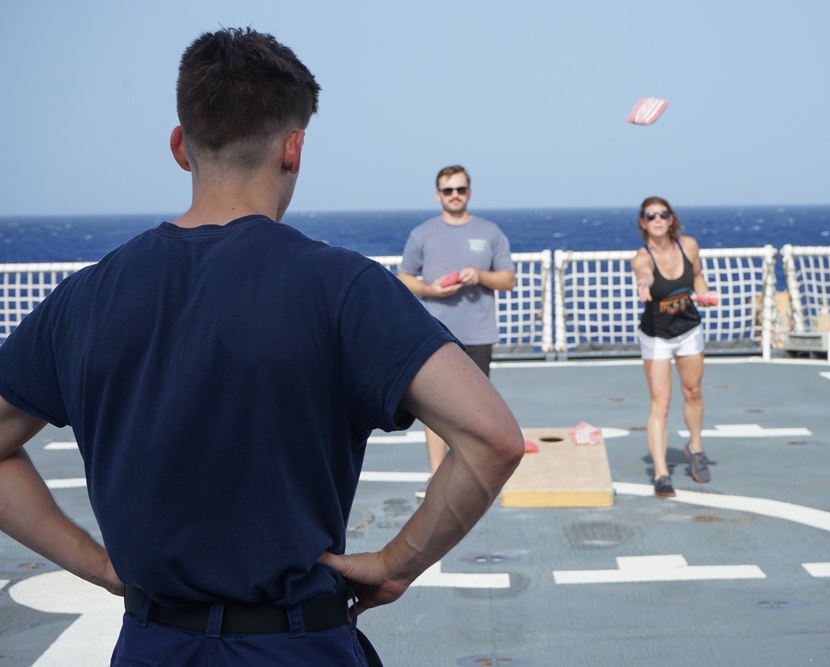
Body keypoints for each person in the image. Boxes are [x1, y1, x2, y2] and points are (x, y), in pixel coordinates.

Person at [0, 28, 523, 666]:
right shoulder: (343, 286)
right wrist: (392, 564)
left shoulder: (85, 297)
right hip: (295, 644)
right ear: (294, 148)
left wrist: (102, 565)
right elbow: (492, 438)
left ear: (179, 147)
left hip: (152, 644)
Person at [398, 166, 516, 498]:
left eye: (460, 190)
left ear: (470, 193)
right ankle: (437, 478)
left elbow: (508, 279)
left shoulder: (490, 232)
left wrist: (480, 275)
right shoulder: (423, 234)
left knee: (477, 412)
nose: (454, 196)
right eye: (448, 190)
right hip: (434, 333)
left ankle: (467, 475)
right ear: (438, 195)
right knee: (433, 409)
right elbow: (404, 277)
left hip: (478, 334)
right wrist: (431, 291)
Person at [631, 197, 713, 498]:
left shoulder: (688, 246)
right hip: (656, 336)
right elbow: (644, 274)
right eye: (650, 215)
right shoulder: (642, 258)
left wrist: (704, 295)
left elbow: (698, 277)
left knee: (693, 391)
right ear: (643, 222)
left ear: (671, 219)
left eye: (662, 214)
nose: (657, 219)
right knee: (661, 402)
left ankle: (695, 448)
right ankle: (662, 473)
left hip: (689, 329)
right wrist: (643, 285)